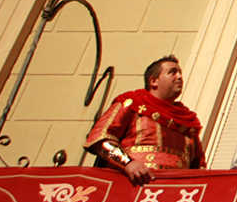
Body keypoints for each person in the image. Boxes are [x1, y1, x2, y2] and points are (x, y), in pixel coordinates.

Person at [85, 55, 205, 184]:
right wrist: (128, 163)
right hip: (132, 185)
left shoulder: (187, 122)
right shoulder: (132, 102)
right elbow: (100, 137)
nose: (180, 77)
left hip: (174, 192)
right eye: (172, 72)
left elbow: (198, 168)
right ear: (153, 81)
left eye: (180, 73)